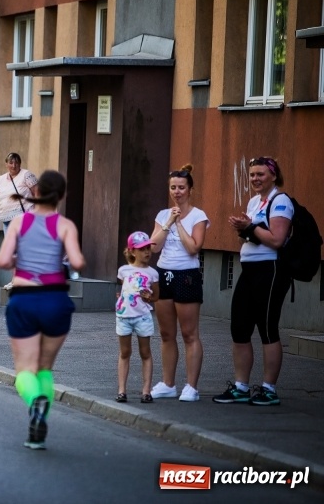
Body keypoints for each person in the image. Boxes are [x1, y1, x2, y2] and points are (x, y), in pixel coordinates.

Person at [0, 170, 85, 450]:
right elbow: (78, 262)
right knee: (45, 368)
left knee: (25, 369)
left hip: (24, 299)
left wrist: (16, 260)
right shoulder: (66, 225)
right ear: (62, 195)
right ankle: (38, 431)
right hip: (56, 300)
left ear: (36, 192)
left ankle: (35, 402)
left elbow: (1, 260)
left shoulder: (20, 222)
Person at [215, 157, 293, 406]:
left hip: (270, 270)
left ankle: (269, 389)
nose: (255, 179)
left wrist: (250, 227)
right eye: (252, 175)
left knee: (267, 329)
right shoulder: (253, 202)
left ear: (273, 175)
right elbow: (252, 237)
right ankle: (241, 387)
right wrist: (243, 229)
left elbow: (277, 239)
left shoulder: (281, 201)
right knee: (239, 327)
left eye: (260, 174)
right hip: (248, 269)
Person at [149, 164, 209, 403]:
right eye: (173, 187)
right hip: (164, 273)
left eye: (182, 187)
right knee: (166, 333)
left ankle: (191, 386)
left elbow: (194, 247)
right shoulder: (163, 215)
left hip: (187, 275)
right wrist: (167, 223)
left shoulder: (198, 216)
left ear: (190, 189)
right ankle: (168, 383)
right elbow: (153, 247)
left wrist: (179, 224)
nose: (177, 192)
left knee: (189, 333)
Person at [115, 231, 160, 404]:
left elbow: (156, 296)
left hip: (143, 317)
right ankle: (121, 391)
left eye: (148, 248)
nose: (147, 252)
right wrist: (122, 297)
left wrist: (148, 297)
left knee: (145, 353)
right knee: (125, 352)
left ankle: (146, 391)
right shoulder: (123, 270)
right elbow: (124, 288)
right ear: (132, 251)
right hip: (124, 316)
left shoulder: (153, 273)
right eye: (142, 249)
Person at [0, 152, 37, 231]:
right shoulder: (1, 178)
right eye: (11, 163)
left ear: (20, 164)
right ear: (6, 164)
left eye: (16, 163)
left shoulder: (26, 175)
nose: (14, 166)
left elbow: (38, 193)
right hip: (6, 219)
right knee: (10, 242)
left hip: (24, 218)